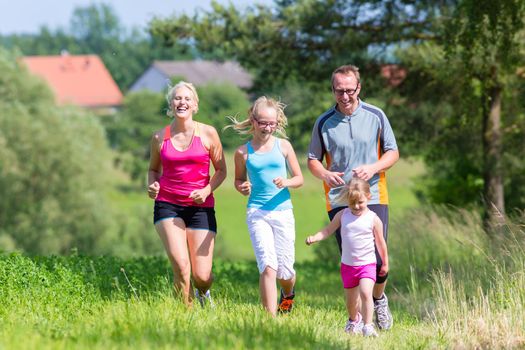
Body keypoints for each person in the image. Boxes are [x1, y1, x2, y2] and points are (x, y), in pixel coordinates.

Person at [307, 64, 399, 329]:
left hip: (373, 195)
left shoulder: (376, 115)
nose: (345, 96)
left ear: (359, 88)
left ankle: (379, 299)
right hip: (339, 199)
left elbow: (392, 152)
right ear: (333, 90)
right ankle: (356, 319)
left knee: (379, 260)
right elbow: (313, 159)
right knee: (353, 260)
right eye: (339, 91)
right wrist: (324, 173)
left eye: (349, 90)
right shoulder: (324, 122)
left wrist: (373, 167)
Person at [147, 81, 227, 307]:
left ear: (195, 105)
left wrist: (206, 189)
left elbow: (221, 171)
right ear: (171, 105)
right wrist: (152, 185)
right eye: (177, 98)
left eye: (187, 99)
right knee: (182, 267)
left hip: (201, 207)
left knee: (202, 276)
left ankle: (203, 293)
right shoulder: (158, 138)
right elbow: (153, 170)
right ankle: (185, 317)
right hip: (168, 205)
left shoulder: (209, 133)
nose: (182, 102)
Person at [228, 96, 303, 316]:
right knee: (268, 266)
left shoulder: (284, 146)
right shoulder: (243, 152)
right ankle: (270, 320)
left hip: (283, 212)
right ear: (253, 120)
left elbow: (299, 178)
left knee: (285, 272)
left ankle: (287, 295)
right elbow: (238, 180)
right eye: (263, 122)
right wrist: (242, 187)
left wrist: (287, 181)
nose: (268, 128)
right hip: (257, 212)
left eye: (272, 123)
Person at [306, 178, 389, 337]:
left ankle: (368, 325)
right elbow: (328, 230)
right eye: (352, 203)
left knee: (366, 293)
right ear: (347, 201)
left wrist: (385, 263)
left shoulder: (373, 219)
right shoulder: (342, 215)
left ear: (368, 197)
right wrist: (315, 237)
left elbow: (381, 243)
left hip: (367, 265)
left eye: (360, 202)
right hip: (348, 267)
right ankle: (354, 320)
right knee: (351, 302)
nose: (356, 206)